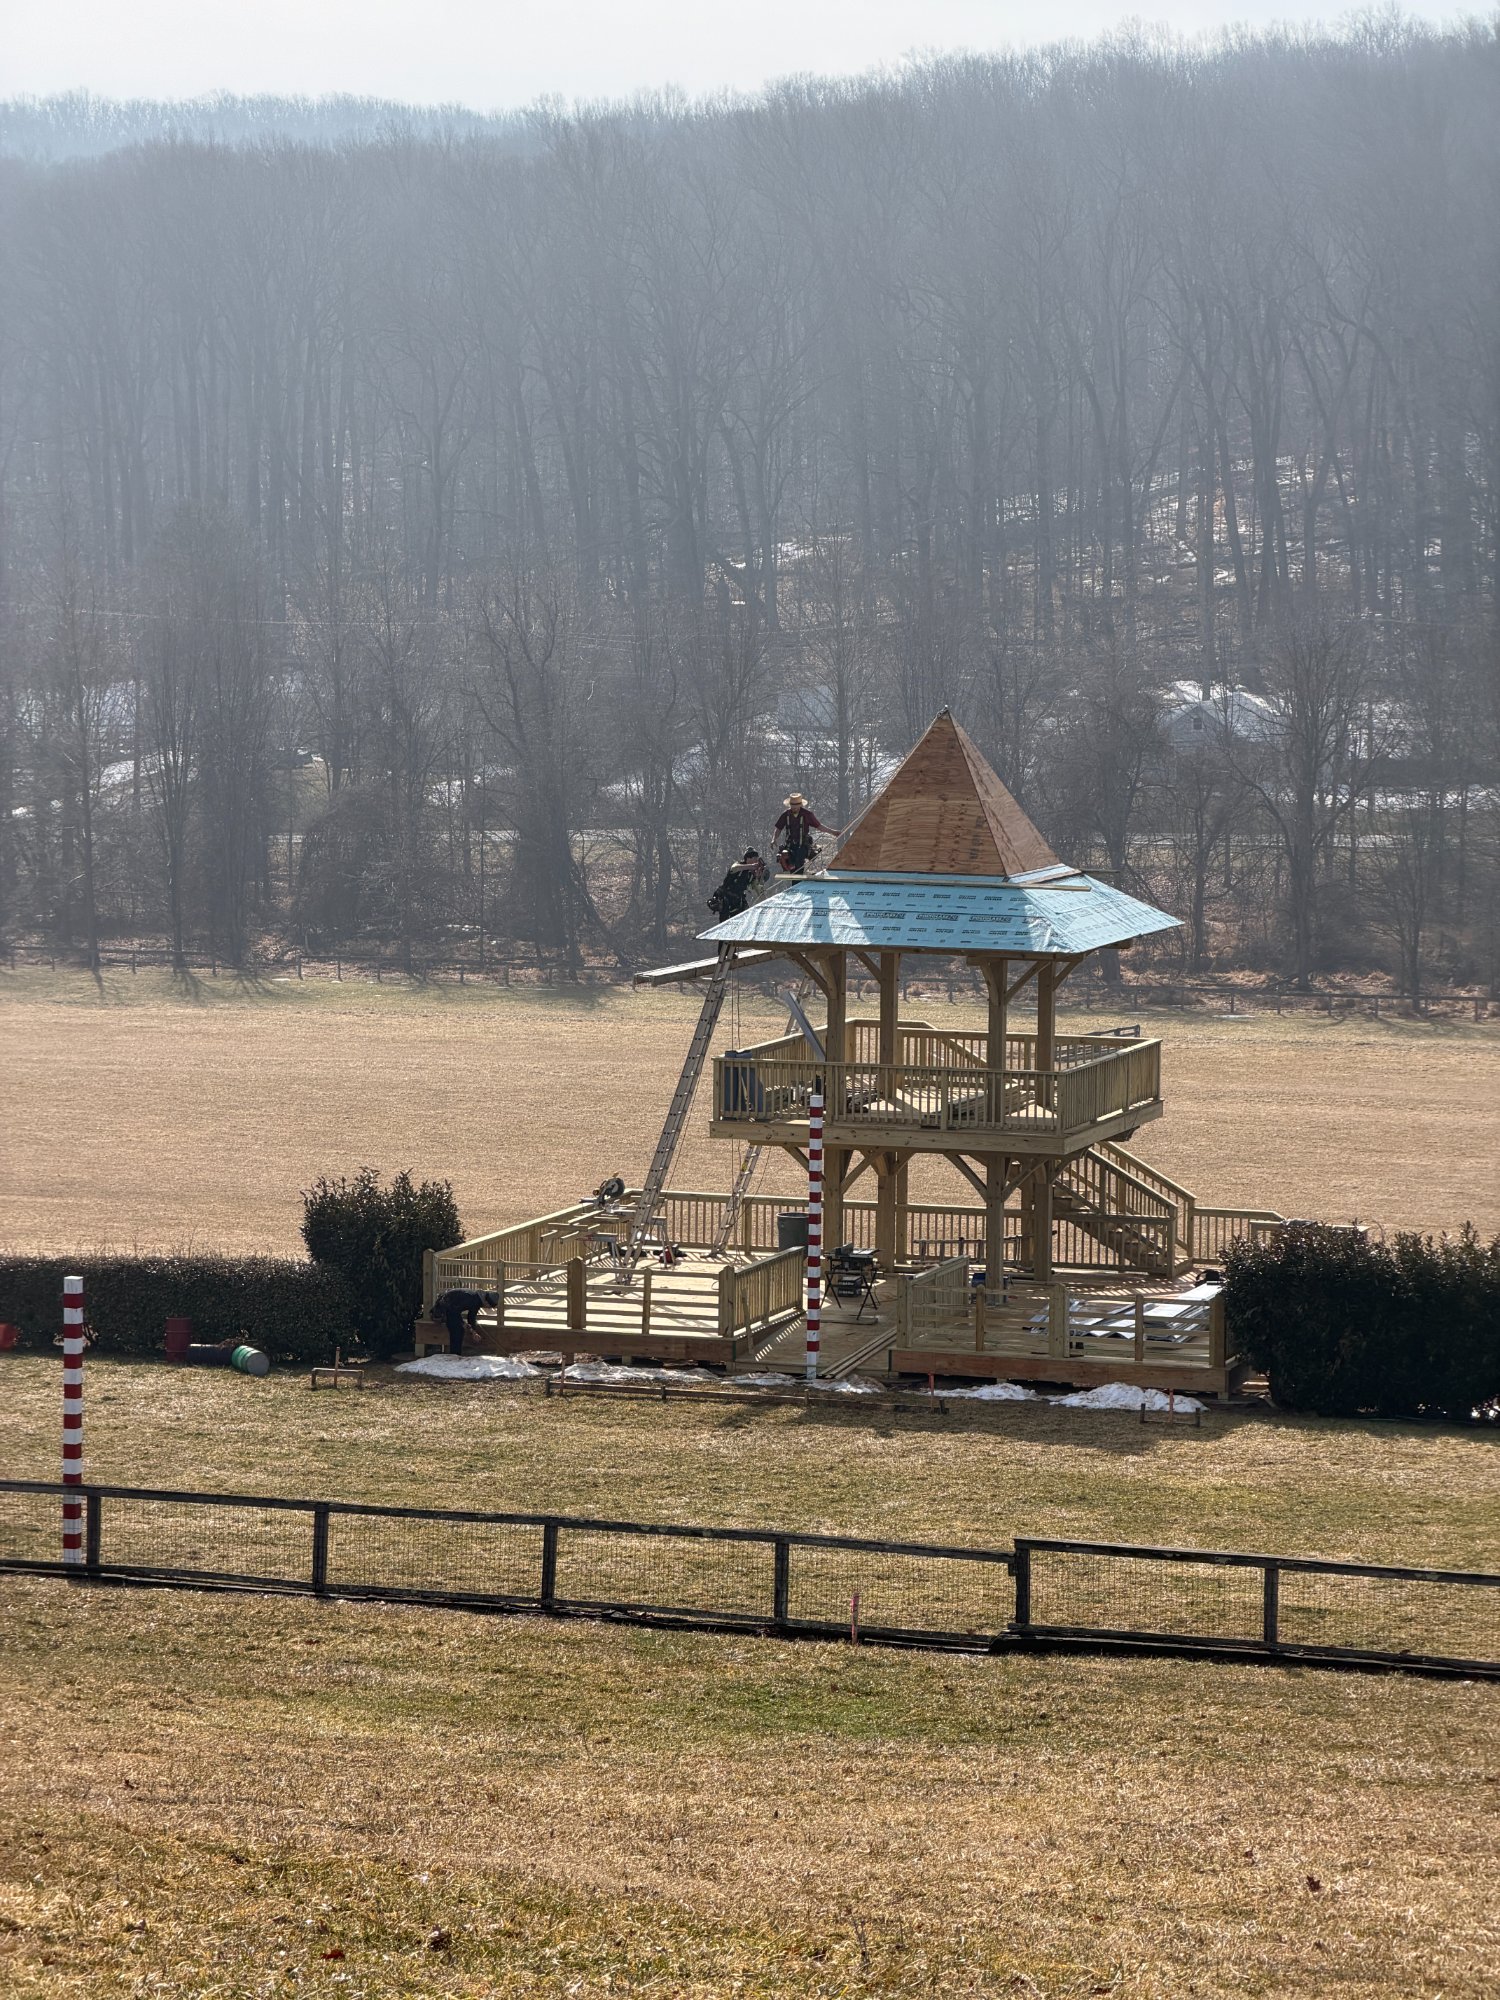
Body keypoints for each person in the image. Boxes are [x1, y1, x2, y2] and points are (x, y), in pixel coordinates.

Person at [431, 1287, 498, 1356]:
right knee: (457, 1330)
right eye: (489, 1306)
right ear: (487, 1302)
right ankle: (454, 1355)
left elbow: (471, 1317)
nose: (488, 1308)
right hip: (445, 1306)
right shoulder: (472, 1298)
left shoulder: (478, 1299)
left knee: (459, 1329)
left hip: (452, 1307)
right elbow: (453, 1311)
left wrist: (474, 1331)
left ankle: (456, 1354)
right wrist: (462, 1323)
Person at [773, 794, 831, 874]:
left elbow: (819, 826)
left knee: (799, 858)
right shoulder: (786, 815)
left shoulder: (807, 814)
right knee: (784, 857)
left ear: (800, 805)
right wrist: (774, 839)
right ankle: (794, 876)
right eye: (793, 806)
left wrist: (834, 832)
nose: (794, 808)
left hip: (803, 845)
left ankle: (797, 880)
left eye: (796, 806)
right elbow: (778, 828)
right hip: (790, 845)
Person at [707, 848, 769, 920]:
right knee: (725, 919)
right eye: (755, 858)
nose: (756, 861)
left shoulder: (752, 875)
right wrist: (751, 866)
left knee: (744, 917)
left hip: (738, 900)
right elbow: (734, 868)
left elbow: (760, 893)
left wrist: (767, 904)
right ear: (748, 859)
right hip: (725, 896)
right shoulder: (739, 865)